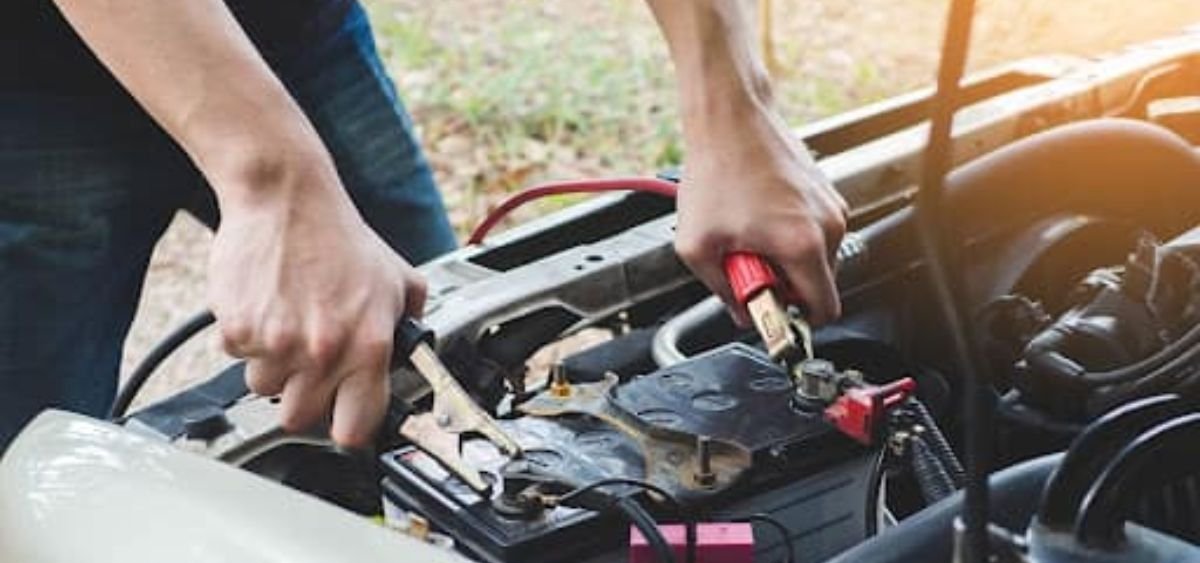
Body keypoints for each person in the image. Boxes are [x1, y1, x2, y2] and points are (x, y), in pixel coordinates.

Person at [0, 0, 847, 450]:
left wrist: (736, 104)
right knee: (28, 466)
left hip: (299, 32)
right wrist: (274, 175)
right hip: (31, 90)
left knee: (437, 358)